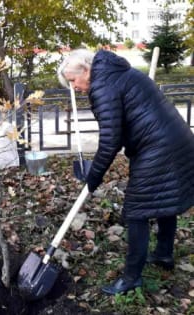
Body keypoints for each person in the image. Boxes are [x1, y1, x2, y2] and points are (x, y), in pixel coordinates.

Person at [57, 48, 194, 295]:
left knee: (136, 212)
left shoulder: (103, 86)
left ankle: (132, 278)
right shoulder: (117, 73)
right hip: (178, 139)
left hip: (158, 147)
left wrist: (93, 177)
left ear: (86, 70)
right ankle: (163, 254)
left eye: (73, 80)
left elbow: (110, 142)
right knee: (164, 198)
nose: (73, 87)